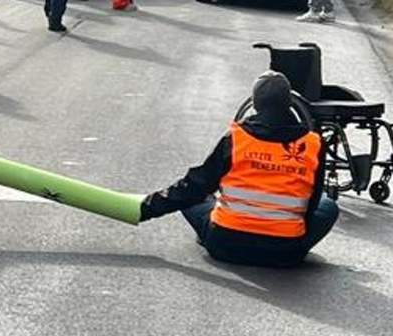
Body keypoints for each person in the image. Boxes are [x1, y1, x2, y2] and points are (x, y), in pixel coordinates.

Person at [140, 71, 337, 267]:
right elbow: (311, 202)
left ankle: (212, 231)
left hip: (225, 244)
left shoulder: (236, 138)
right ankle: (287, 241)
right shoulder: (313, 144)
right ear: (289, 103)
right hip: (285, 253)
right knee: (328, 204)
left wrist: (145, 208)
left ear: (255, 104)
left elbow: (193, 187)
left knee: (193, 196)